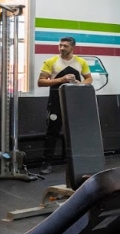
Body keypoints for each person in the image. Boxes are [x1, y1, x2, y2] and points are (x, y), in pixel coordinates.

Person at [36, 36, 93, 174]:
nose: (62, 48)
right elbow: (41, 82)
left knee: (78, 131)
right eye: (60, 45)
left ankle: (78, 161)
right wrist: (61, 79)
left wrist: (80, 84)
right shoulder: (51, 61)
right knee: (52, 132)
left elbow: (89, 78)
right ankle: (46, 163)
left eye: (65, 46)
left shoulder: (80, 62)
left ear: (73, 47)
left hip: (75, 102)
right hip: (56, 102)